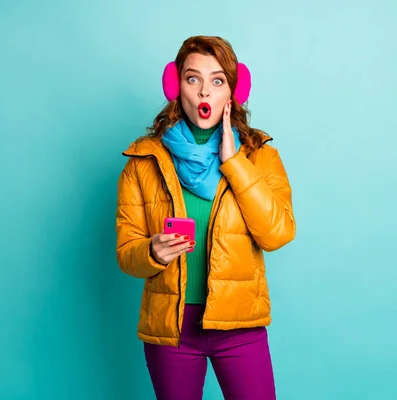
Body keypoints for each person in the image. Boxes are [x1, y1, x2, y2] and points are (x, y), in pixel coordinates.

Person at [115, 35, 296, 400]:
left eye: (217, 81)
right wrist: (151, 251)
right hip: (171, 329)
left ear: (233, 90)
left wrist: (234, 163)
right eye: (192, 78)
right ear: (175, 84)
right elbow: (126, 254)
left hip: (240, 326)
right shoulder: (143, 161)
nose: (204, 93)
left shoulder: (260, 156)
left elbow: (277, 234)